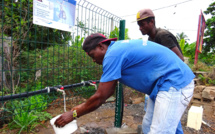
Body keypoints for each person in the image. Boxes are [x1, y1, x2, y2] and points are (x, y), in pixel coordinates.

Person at [54, 33, 195, 134]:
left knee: (160, 131)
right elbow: (105, 92)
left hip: (174, 82)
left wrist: (73, 114)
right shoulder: (118, 50)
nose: (93, 60)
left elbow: (101, 96)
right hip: (161, 86)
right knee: (148, 127)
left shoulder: (112, 54)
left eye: (92, 55)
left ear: (101, 46)